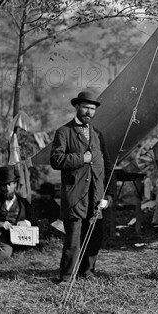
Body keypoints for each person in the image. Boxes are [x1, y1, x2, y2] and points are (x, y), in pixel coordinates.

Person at [50, 90, 116, 283]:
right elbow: (55, 160)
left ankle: (87, 273)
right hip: (75, 196)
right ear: (77, 107)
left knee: (94, 236)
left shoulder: (97, 134)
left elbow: (109, 166)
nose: (89, 112)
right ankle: (66, 276)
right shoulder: (64, 132)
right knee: (73, 240)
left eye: (93, 109)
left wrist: (108, 195)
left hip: (95, 196)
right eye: (86, 107)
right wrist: (82, 158)